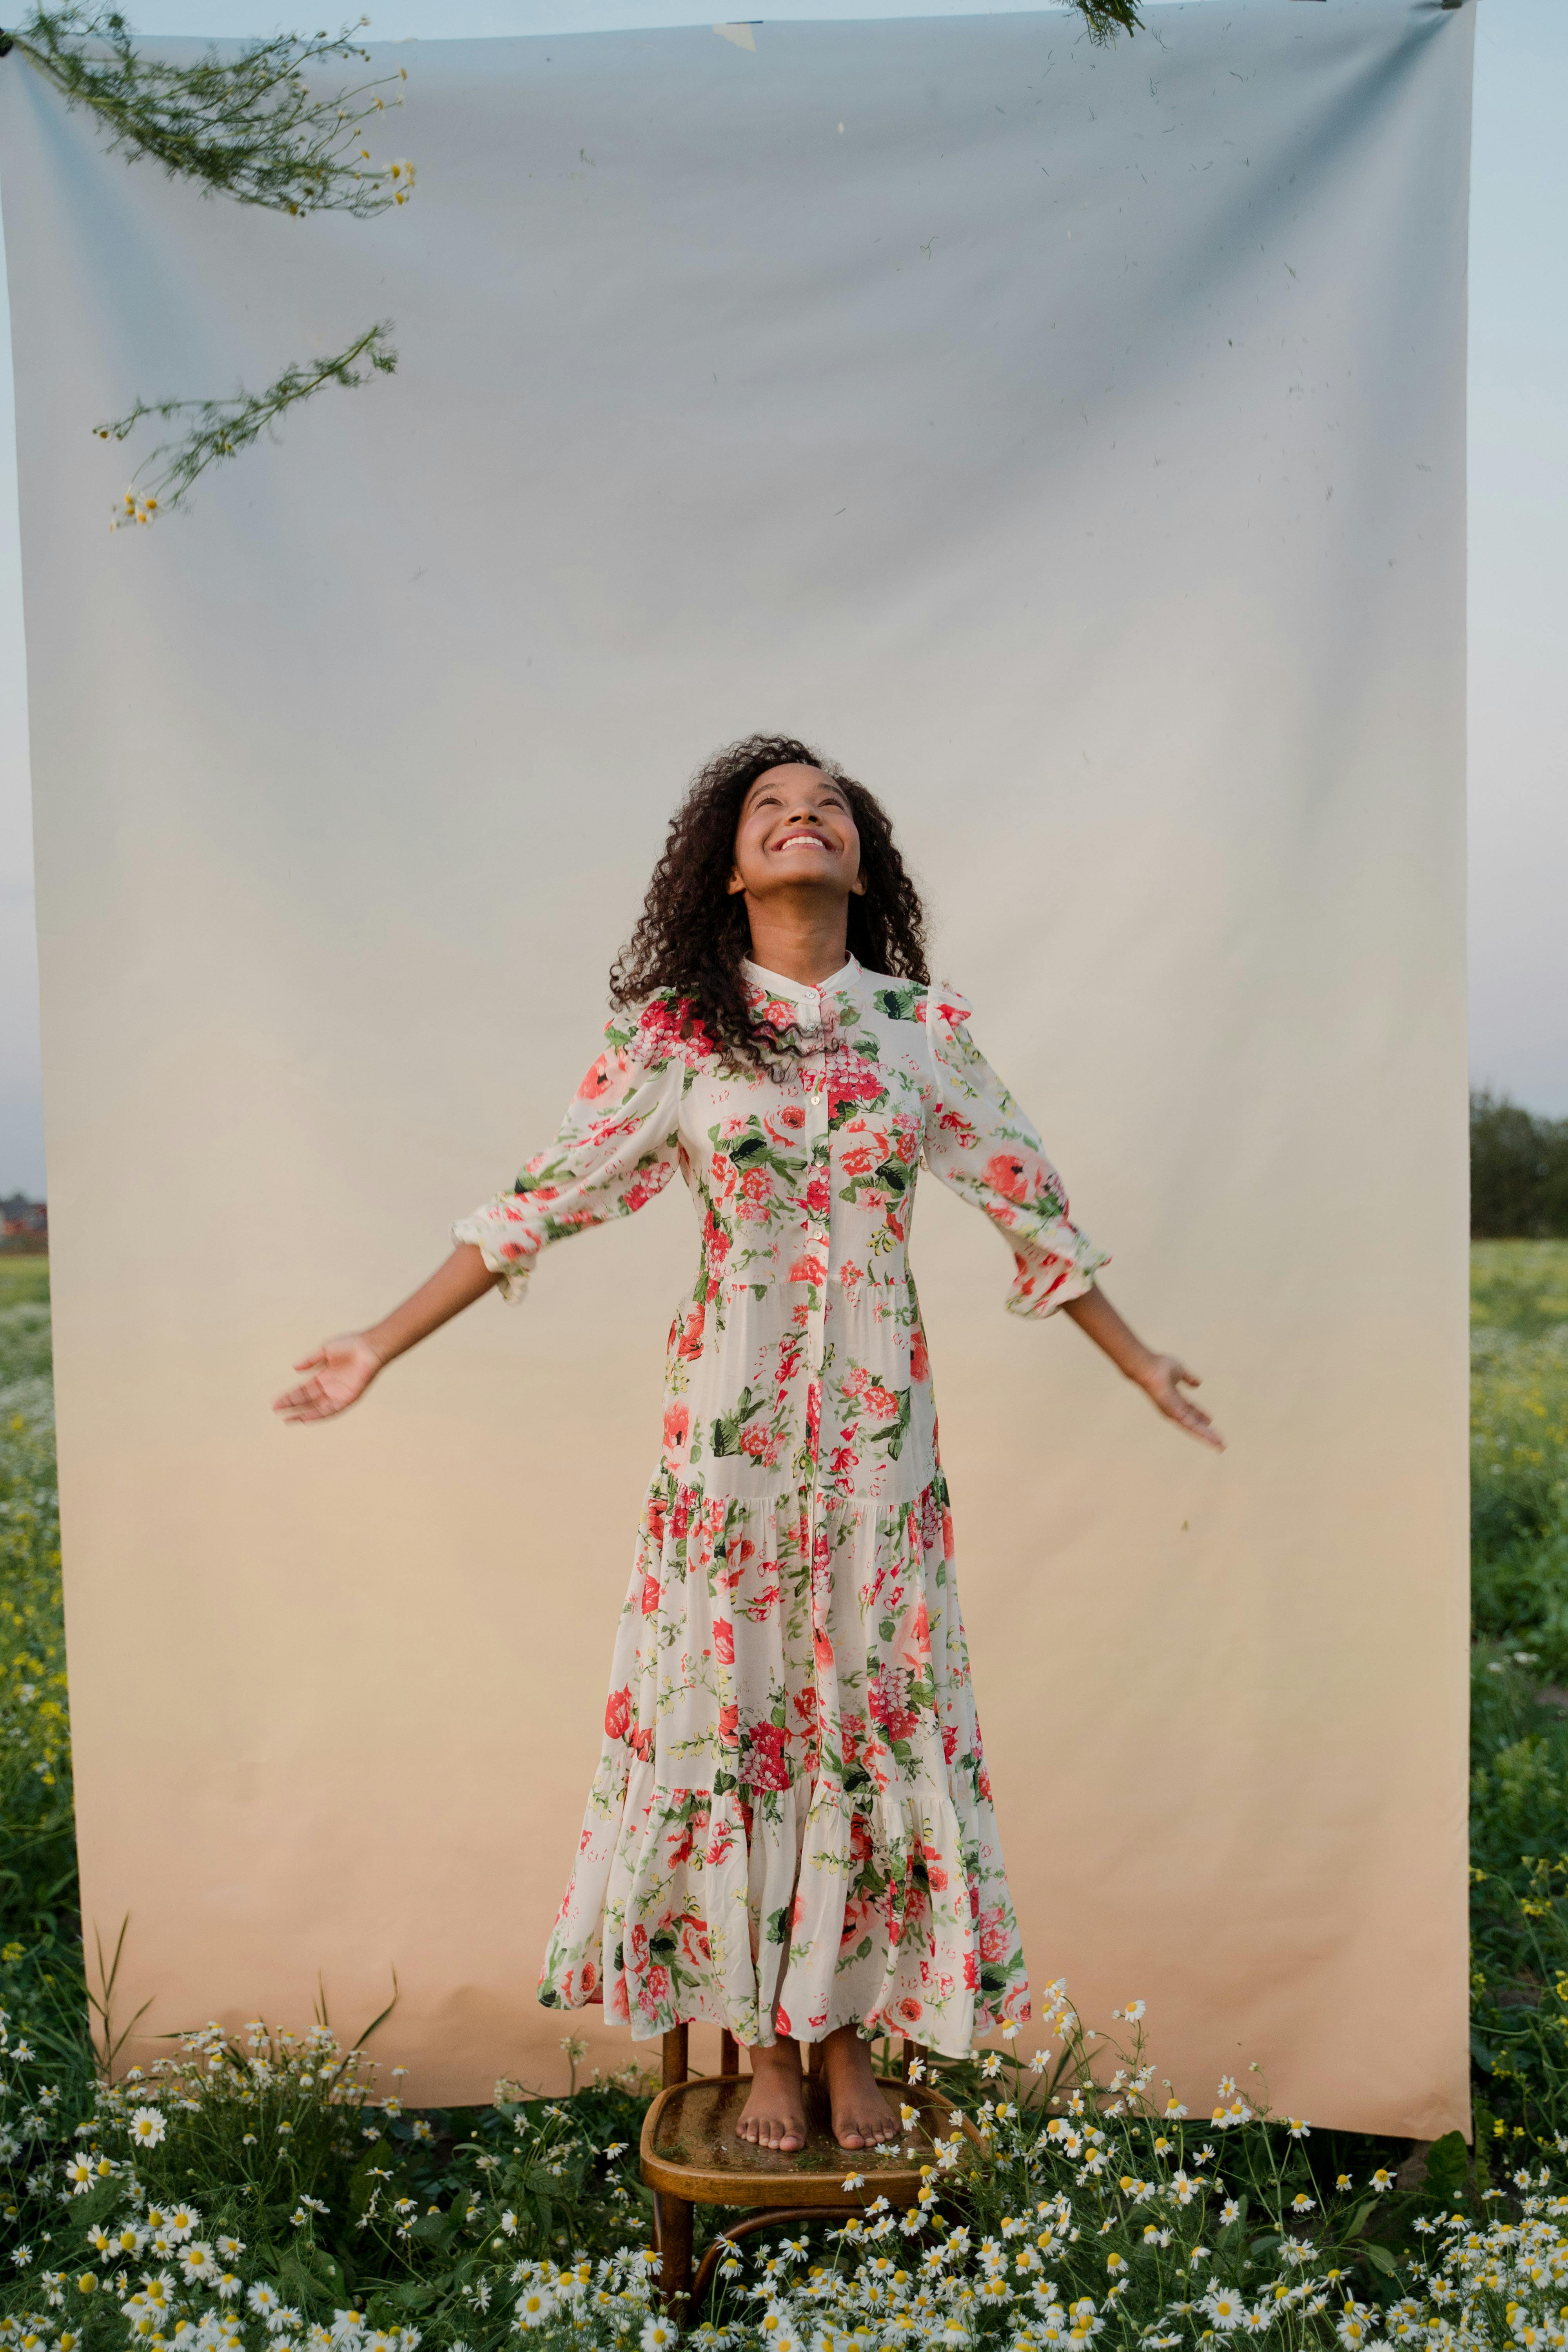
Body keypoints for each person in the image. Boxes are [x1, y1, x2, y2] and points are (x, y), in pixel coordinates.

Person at [274, 733, 1223, 2155]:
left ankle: (850, 2039)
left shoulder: (921, 1029)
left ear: (861, 854)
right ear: (728, 868)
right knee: (745, 1710)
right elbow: (540, 1200)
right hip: (726, 1441)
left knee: (861, 1711)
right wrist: (377, 1341)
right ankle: (764, 2047)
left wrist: (1142, 1359)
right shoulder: (679, 1033)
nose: (803, 816)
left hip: (877, 1436)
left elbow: (1031, 1204)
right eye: (770, 808)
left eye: (826, 804)